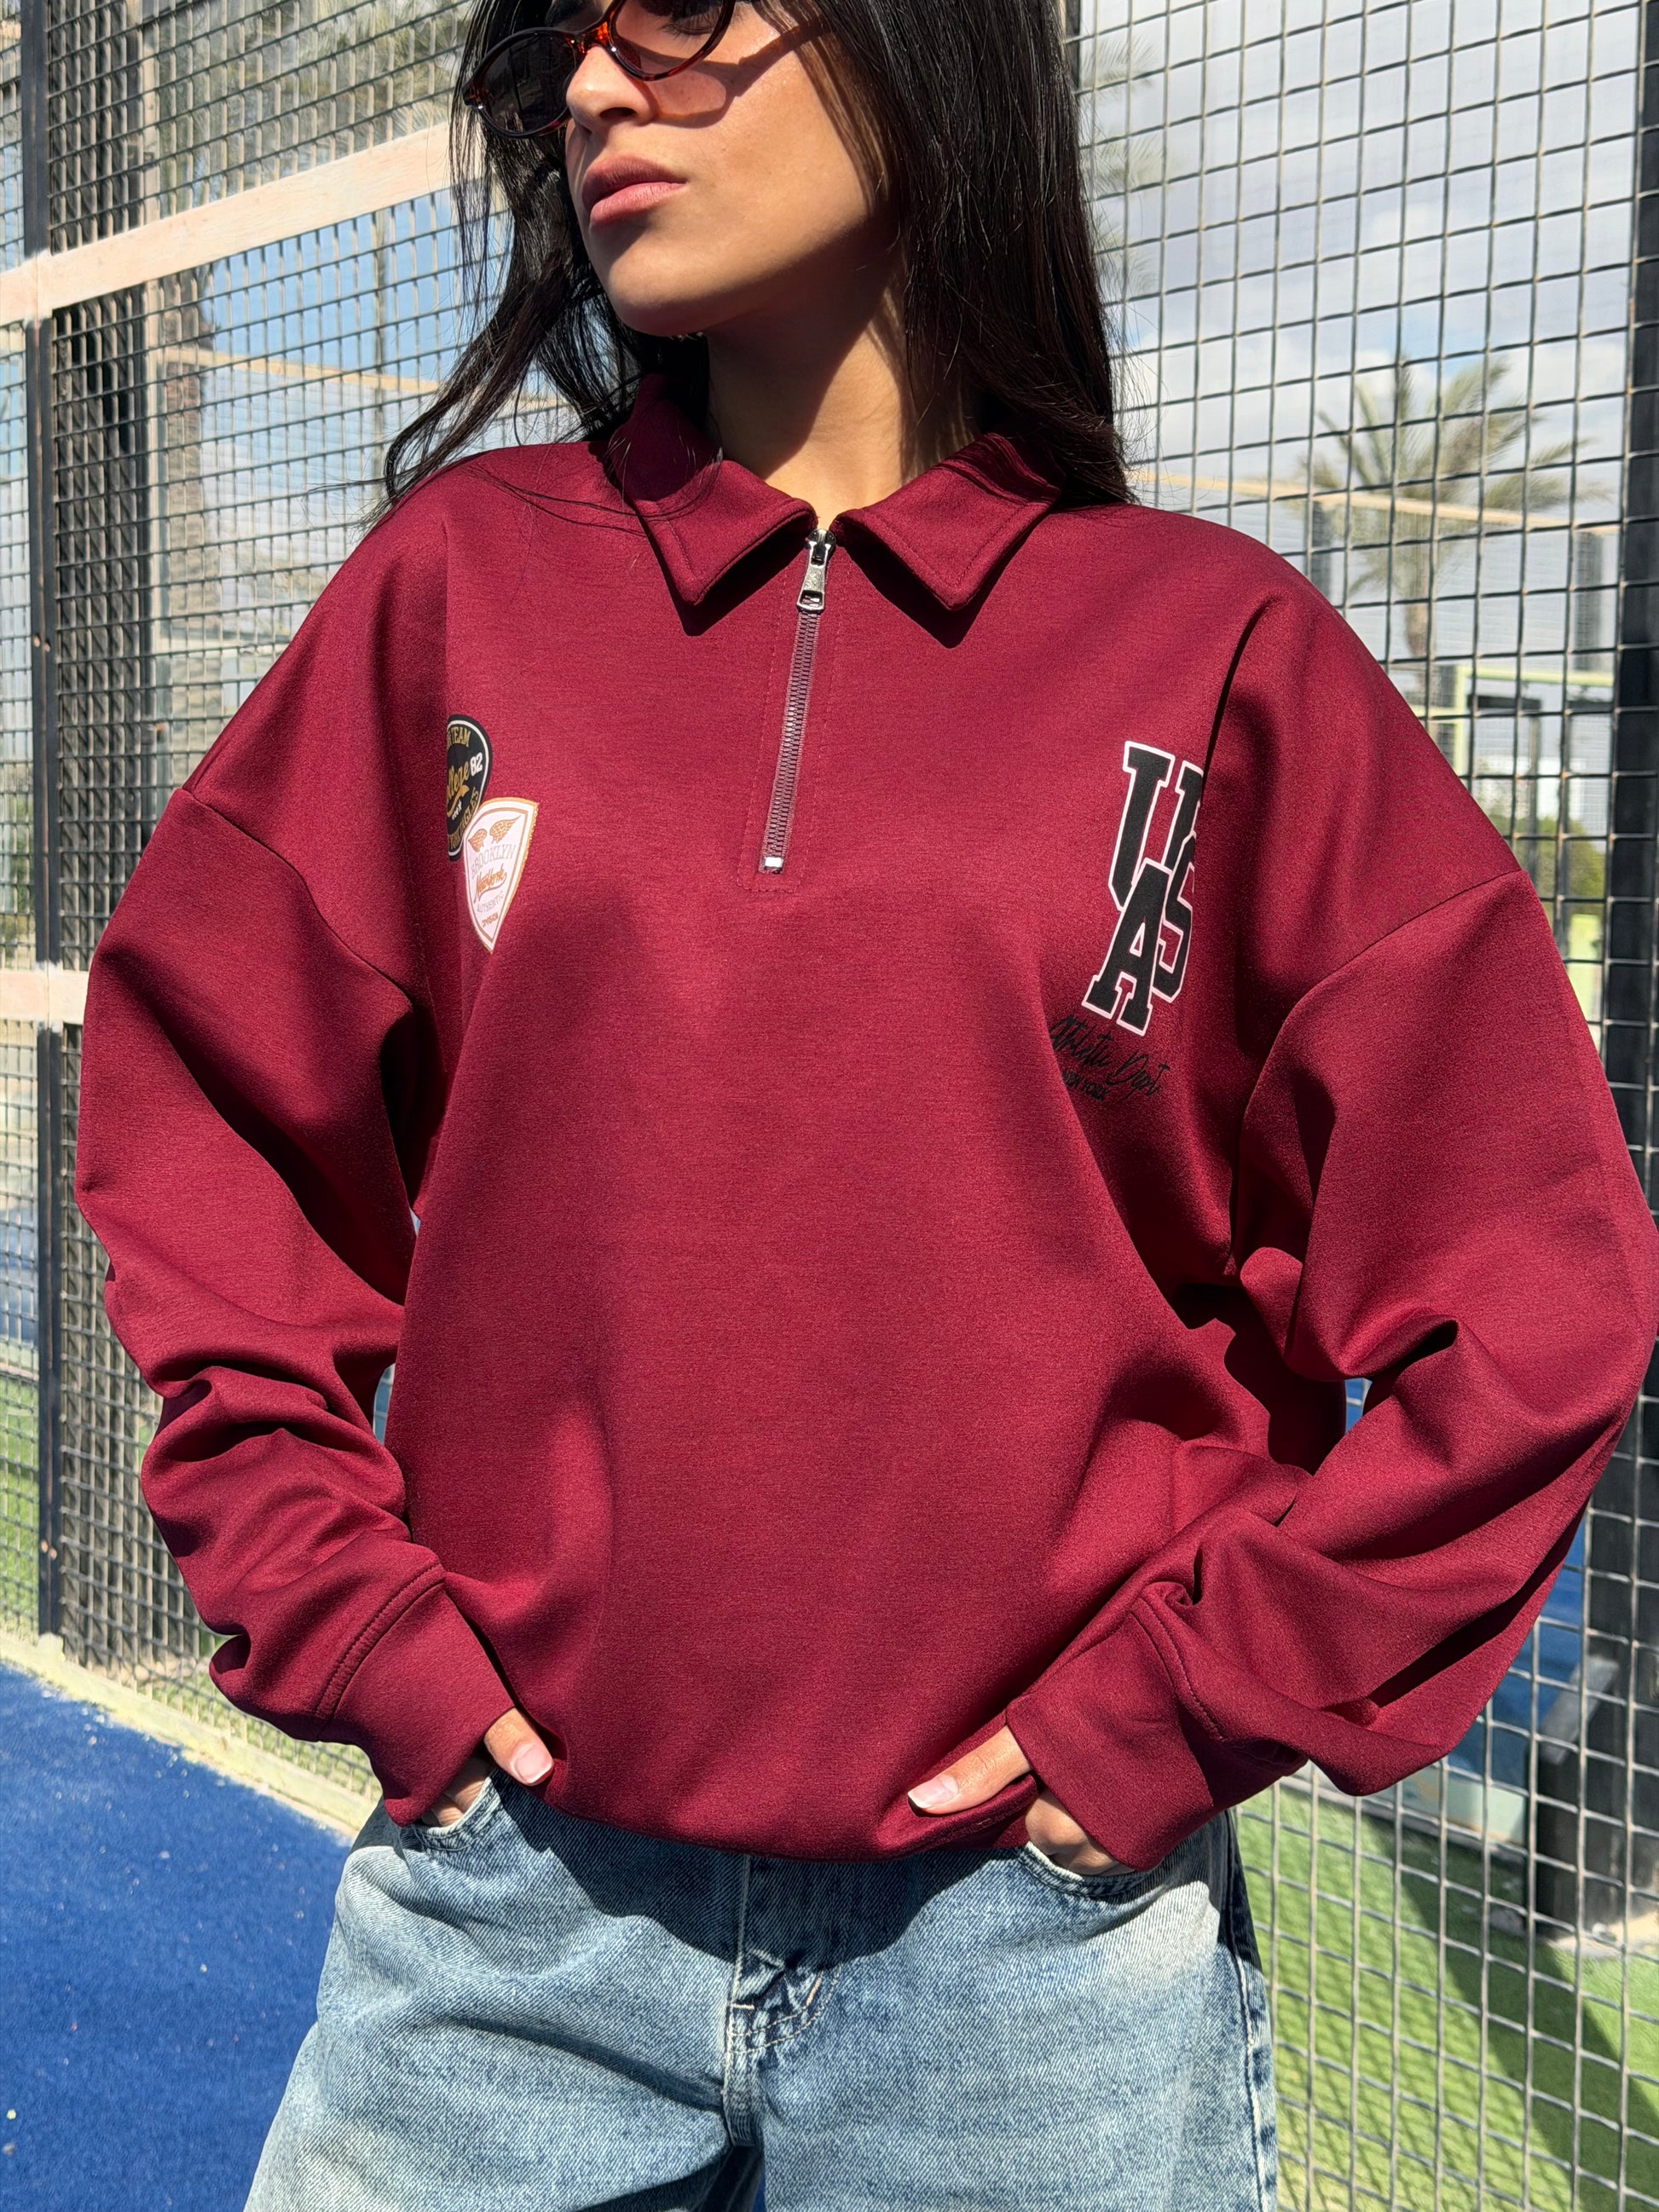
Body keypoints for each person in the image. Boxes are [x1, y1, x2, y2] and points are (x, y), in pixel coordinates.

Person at [73, 0, 1658, 2205]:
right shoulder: (460, 592)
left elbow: (1534, 1279)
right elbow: (209, 1105)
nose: (598, 87)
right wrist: (343, 1604)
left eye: (675, 15)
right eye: (562, 46)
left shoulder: (1213, 654)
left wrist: (1181, 1709)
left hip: (1033, 1976)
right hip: (508, 1926)